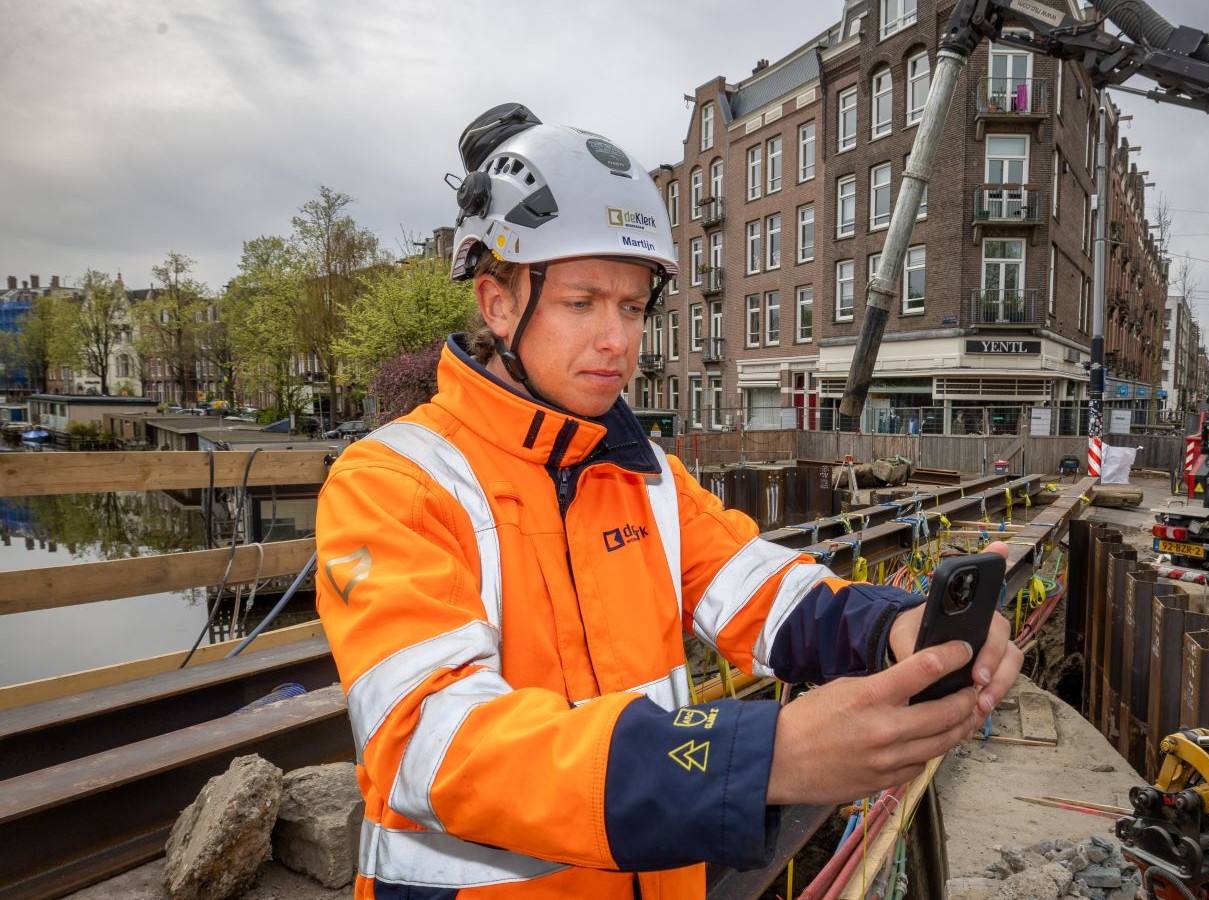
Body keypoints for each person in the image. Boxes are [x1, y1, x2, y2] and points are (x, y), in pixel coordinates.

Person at [314, 103, 1022, 900]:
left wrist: (892, 626)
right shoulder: (394, 483)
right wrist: (763, 758)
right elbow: (431, 744)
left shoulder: (641, 472)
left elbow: (758, 588)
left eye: (632, 306)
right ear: (498, 303)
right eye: (582, 302)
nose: (618, 340)